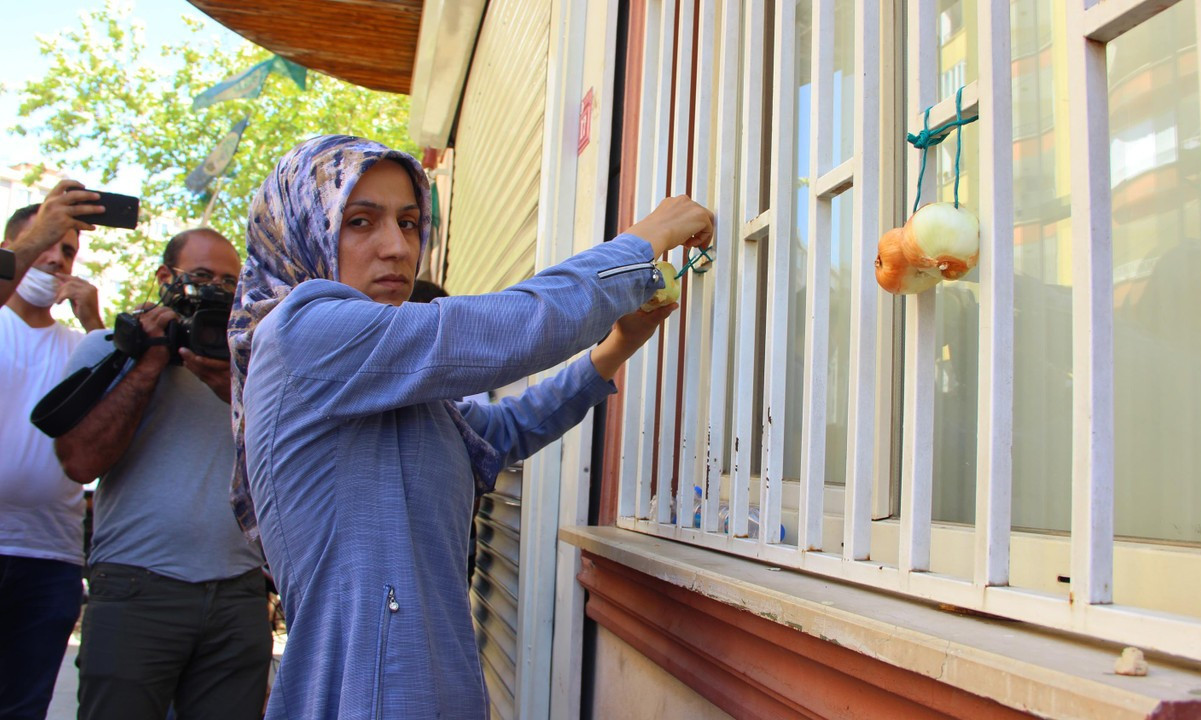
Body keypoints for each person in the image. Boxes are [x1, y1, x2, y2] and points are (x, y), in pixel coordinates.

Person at [228, 135, 710, 718]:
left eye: (409, 223)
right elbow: (493, 331)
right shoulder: (301, 332)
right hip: (363, 694)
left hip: (433, 683)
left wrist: (617, 344)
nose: (396, 247)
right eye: (360, 222)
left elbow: (497, 432)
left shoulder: (385, 382)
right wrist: (639, 246)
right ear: (303, 229)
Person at [54, 228, 272, 720]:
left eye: (227, 281)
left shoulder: (254, 370)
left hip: (237, 590)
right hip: (136, 588)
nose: (213, 289)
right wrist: (149, 362)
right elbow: (80, 462)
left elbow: (287, 461)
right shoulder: (107, 348)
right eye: (198, 277)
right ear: (164, 278)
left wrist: (233, 390)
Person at [0, 185, 106, 720]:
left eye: (68, 250)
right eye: (45, 242)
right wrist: (42, 229)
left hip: (50, 559)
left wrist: (95, 324)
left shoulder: (76, 345)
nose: (55, 257)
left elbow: (117, 420)